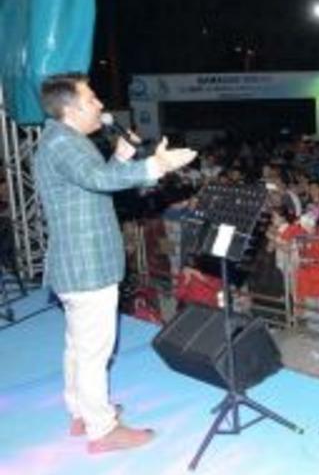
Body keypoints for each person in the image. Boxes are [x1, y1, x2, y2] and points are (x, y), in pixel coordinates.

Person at [34, 73, 196, 453]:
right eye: (92, 99)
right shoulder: (63, 143)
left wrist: (121, 156)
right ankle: (102, 429)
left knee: (79, 344)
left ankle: (82, 410)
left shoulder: (62, 140)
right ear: (71, 108)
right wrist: (155, 165)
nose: (101, 105)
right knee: (94, 350)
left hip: (77, 262)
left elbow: (88, 183)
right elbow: (95, 179)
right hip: (86, 263)